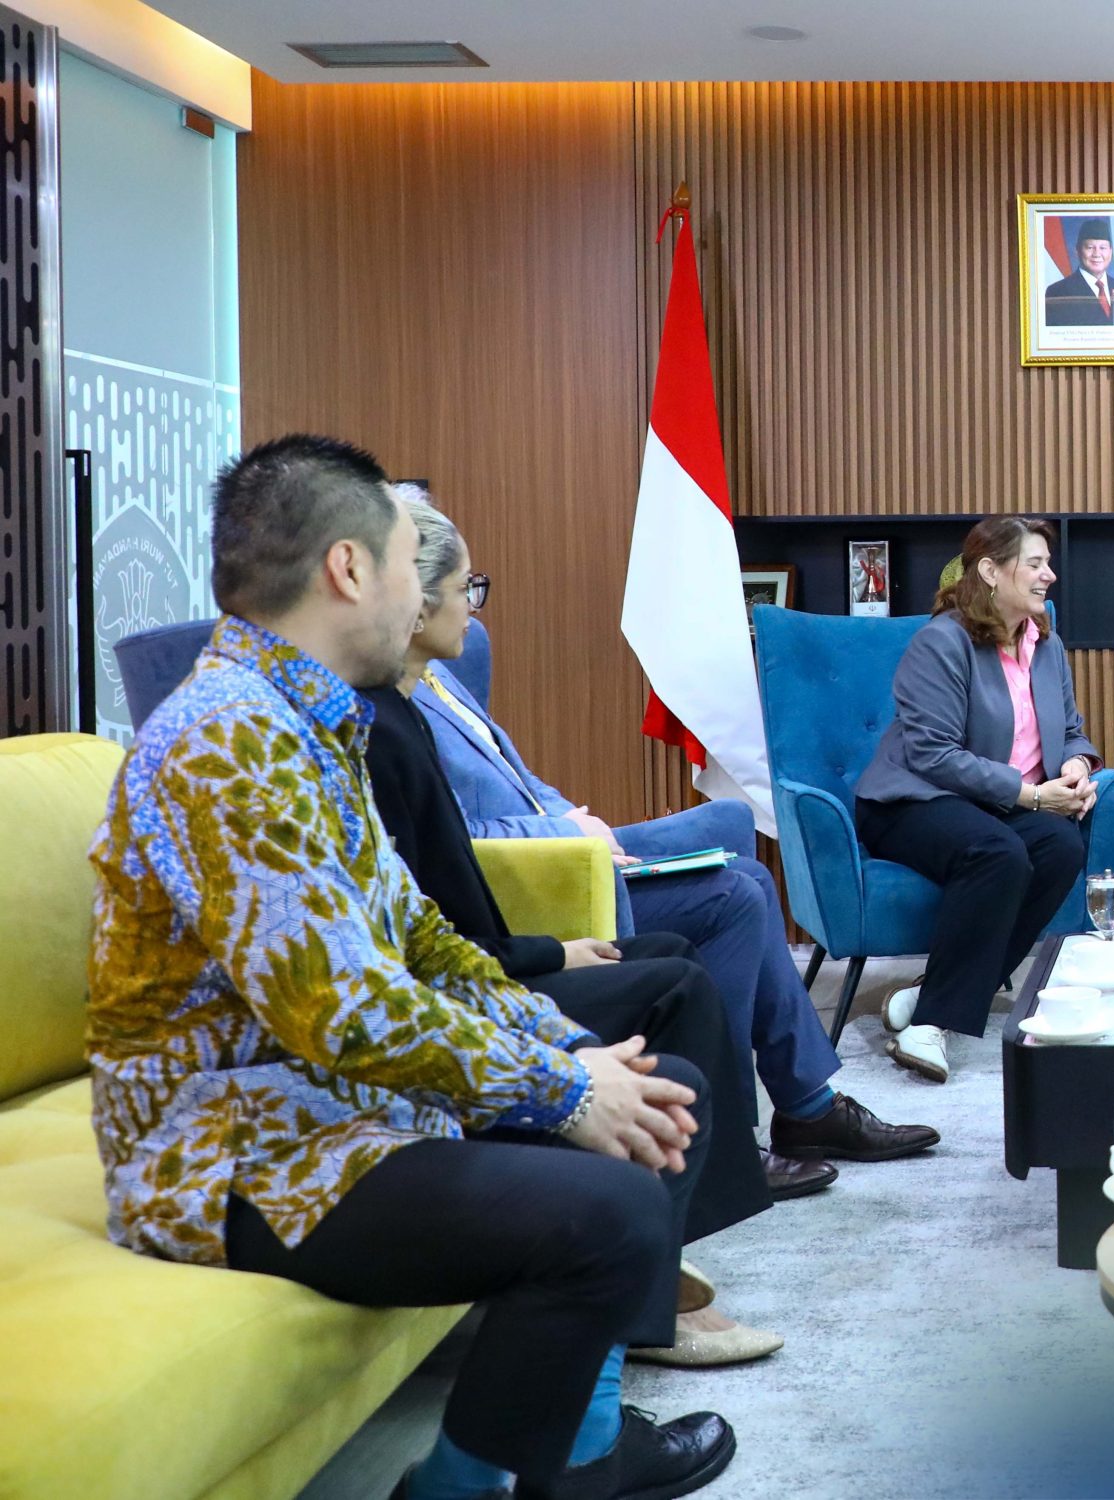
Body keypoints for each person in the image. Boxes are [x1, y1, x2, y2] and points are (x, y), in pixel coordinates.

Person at [87, 435, 734, 1500]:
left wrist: (572, 1052)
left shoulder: (310, 723)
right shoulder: (225, 740)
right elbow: (342, 1008)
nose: (429, 595)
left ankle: (574, 1455)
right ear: (348, 569)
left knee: (663, 1094)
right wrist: (564, 1089)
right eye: (408, 563)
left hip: (341, 1110)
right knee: (609, 1209)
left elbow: (421, 939)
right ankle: (463, 1489)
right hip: (243, 1156)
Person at [408, 490, 939, 1186]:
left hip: (574, 849)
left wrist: (579, 821)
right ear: (414, 600)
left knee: (738, 846)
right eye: (465, 589)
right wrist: (562, 833)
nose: (475, 608)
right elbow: (445, 836)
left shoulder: (441, 680)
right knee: (738, 897)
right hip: (539, 879)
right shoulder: (392, 707)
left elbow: (522, 780)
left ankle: (804, 1108)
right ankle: (741, 1130)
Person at [366, 492, 784, 1368]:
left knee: (686, 938)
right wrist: (553, 1046)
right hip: (474, 977)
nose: (474, 607)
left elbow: (428, 919)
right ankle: (654, 1280)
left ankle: (672, 1240)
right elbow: (408, 949)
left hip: (494, 952)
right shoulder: (366, 730)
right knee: (682, 976)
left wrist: (554, 946)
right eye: (465, 587)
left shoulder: (422, 698)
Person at [856, 515, 1099, 1082]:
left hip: (992, 804)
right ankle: (928, 1026)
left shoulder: (1046, 645)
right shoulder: (942, 641)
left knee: (1061, 847)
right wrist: (1031, 795)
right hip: (911, 801)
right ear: (990, 570)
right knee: (998, 852)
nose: (1049, 575)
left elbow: (1071, 731)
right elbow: (933, 754)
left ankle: (932, 994)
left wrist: (1076, 765)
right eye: (1034, 564)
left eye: (1048, 563)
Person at [1043, 219, 1114, 326]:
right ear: (1077, 250)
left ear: (1110, 251)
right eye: (1090, 248)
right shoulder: (1058, 292)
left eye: (1103, 248)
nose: (1097, 254)